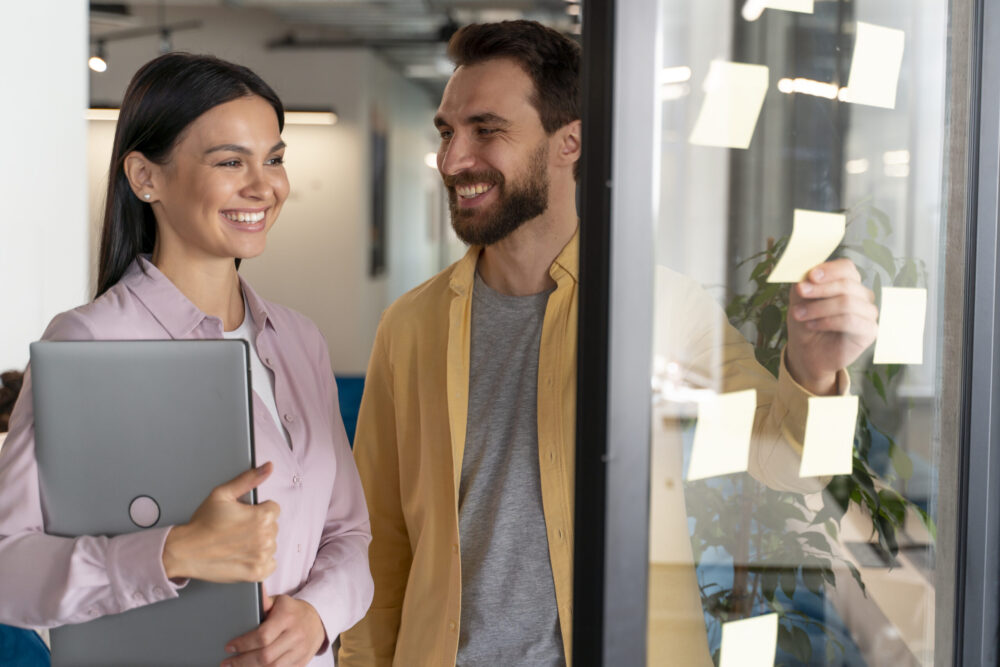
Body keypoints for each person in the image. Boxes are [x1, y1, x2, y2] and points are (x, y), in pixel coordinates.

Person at [337, 19, 878, 667]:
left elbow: (790, 469)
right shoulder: (410, 324)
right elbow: (380, 540)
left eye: (488, 129)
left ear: (570, 142)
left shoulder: (659, 305)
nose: (454, 160)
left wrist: (816, 371)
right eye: (449, 132)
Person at [0, 53, 373, 666]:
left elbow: (350, 534)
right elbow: (12, 571)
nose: (264, 186)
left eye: (274, 158)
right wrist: (172, 552)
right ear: (146, 177)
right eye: (230, 161)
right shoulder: (89, 344)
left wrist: (316, 615)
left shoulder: (300, 339)